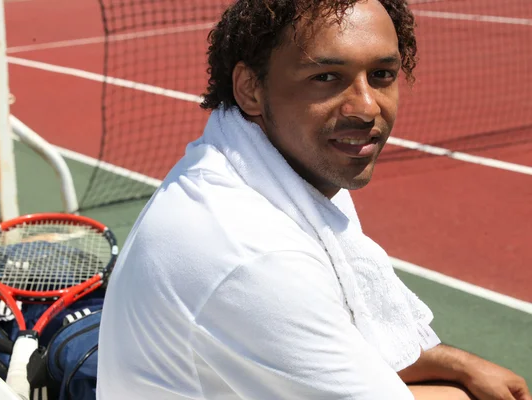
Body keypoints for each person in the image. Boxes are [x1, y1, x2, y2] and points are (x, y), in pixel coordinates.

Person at [97, 0, 531, 399]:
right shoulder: (250, 251)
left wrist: (457, 364)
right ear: (250, 89)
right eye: (326, 77)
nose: (365, 107)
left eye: (382, 75)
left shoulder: (267, 168)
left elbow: (357, 331)